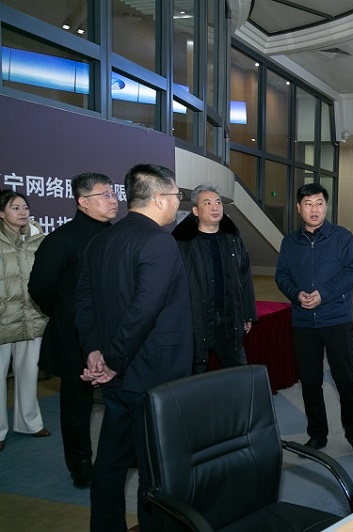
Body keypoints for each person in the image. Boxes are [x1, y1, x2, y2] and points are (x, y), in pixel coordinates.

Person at [74, 164, 192, 532]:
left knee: (111, 462)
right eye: (176, 196)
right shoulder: (159, 241)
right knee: (156, 469)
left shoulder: (102, 240)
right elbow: (145, 309)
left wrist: (94, 350)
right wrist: (112, 360)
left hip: (117, 376)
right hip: (152, 374)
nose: (178, 203)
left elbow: (83, 302)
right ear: (159, 199)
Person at [28, 173, 118, 487]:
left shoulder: (118, 235)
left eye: (113, 193)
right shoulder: (62, 239)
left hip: (115, 335)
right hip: (74, 336)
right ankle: (80, 462)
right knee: (77, 406)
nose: (113, 200)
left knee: (121, 399)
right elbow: (39, 287)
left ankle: (124, 453)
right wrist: (67, 314)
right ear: (83, 202)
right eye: (104, 195)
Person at [275, 183, 353, 459]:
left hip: (336, 319)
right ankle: (317, 433)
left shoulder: (342, 237)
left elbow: (352, 272)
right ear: (299, 208)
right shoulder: (289, 242)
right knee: (310, 381)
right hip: (303, 322)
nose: (314, 210)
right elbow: (282, 276)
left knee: (346, 379)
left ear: (326, 206)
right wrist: (296, 294)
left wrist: (323, 295)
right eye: (308, 204)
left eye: (319, 203)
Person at [172, 183, 257, 374]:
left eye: (218, 202)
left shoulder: (233, 239)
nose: (215, 207)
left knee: (239, 373)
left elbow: (244, 277)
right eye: (207, 203)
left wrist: (247, 313)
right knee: (195, 375)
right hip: (196, 319)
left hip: (229, 317)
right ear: (195, 210)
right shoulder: (182, 242)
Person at [0, 190, 50, 452]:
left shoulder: (37, 237)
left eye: (25, 207)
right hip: (3, 318)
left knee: (29, 373)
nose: (22, 212)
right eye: (15, 207)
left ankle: (29, 422)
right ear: (1, 213)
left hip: (32, 314)